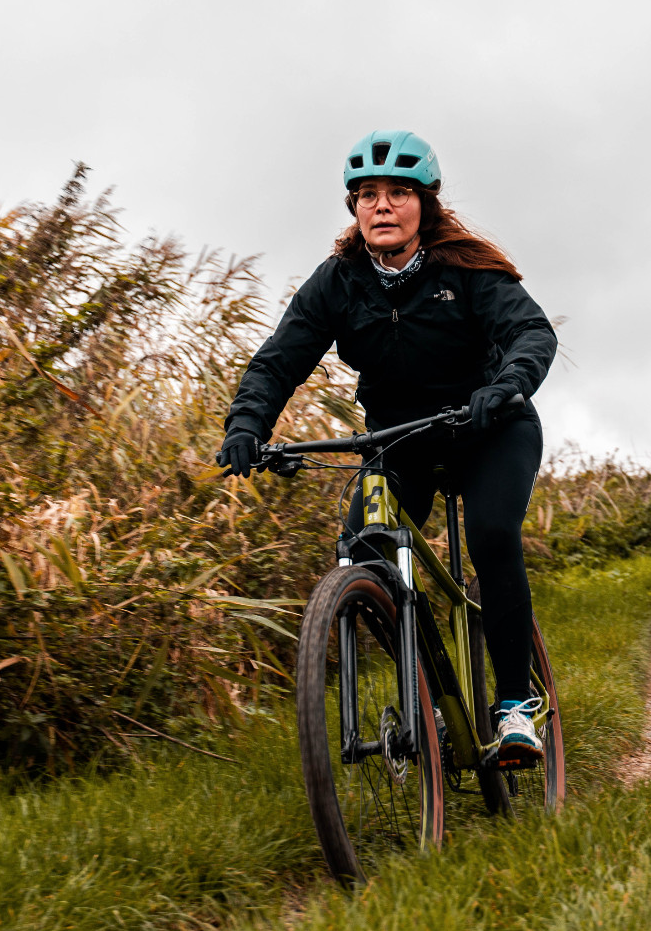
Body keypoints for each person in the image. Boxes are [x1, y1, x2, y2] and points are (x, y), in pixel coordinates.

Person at [219, 130, 556, 763]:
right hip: (398, 438)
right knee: (363, 553)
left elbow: (530, 333)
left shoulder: (467, 267)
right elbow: (277, 362)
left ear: (424, 203)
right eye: (367, 194)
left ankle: (516, 707)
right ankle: (426, 687)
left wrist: (506, 385)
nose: (382, 206)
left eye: (398, 193)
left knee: (490, 536)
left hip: (488, 428)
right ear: (354, 209)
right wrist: (247, 427)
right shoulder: (338, 283)